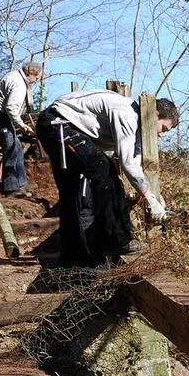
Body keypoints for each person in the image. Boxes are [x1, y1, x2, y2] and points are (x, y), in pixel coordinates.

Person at [35, 89, 179, 266]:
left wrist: (156, 198)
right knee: (103, 169)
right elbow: (127, 164)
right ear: (155, 114)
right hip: (58, 124)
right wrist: (149, 199)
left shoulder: (138, 123)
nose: (161, 135)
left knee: (74, 192)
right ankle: (117, 240)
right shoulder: (127, 114)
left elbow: (135, 162)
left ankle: (73, 259)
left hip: (56, 124)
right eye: (163, 128)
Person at [0, 62, 42, 197]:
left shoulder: (15, 76)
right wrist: (22, 125)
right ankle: (11, 188)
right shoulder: (19, 84)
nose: (36, 81)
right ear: (31, 73)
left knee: (16, 147)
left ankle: (21, 183)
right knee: (11, 149)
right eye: (37, 78)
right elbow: (11, 107)